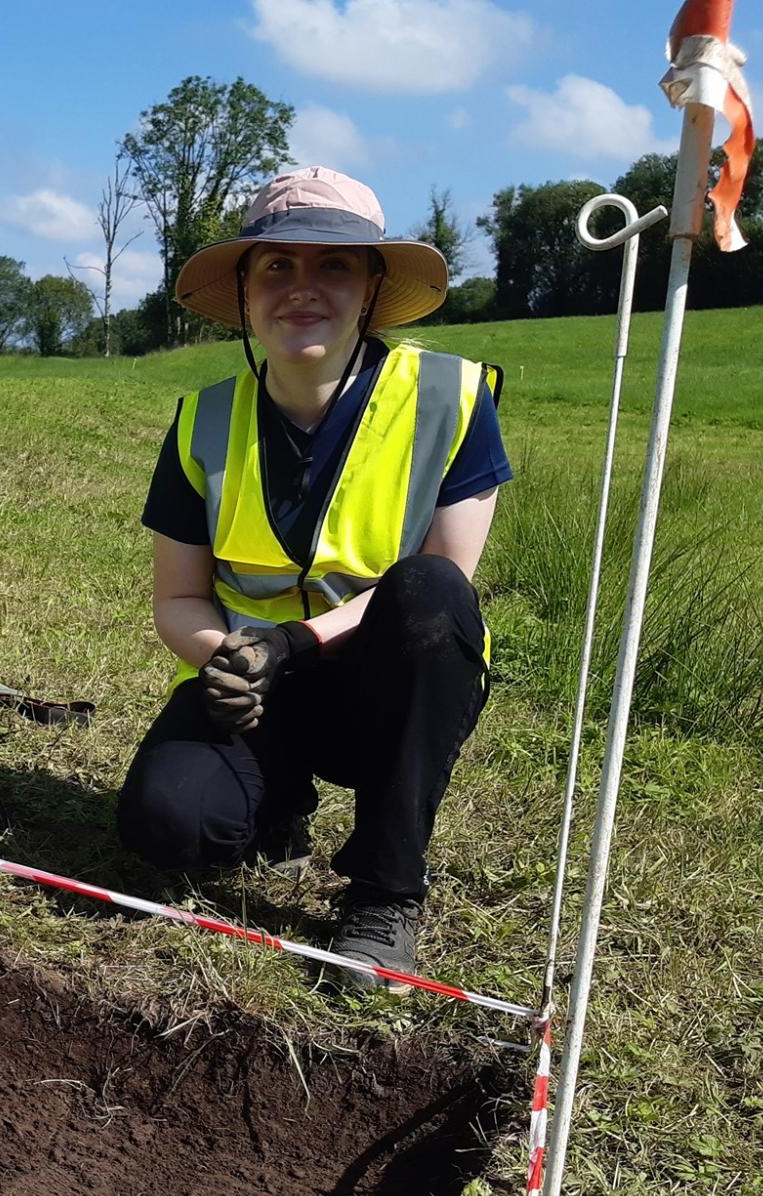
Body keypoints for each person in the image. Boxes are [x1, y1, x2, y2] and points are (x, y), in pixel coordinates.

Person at [117, 167, 511, 989]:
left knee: (432, 598)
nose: (303, 288)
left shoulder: (450, 397)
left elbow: (443, 581)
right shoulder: (203, 419)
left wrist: (293, 643)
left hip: (389, 687)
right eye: (277, 266)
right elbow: (178, 598)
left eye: (333, 265)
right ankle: (279, 803)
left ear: (371, 287)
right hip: (262, 689)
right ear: (246, 289)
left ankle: (385, 894)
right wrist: (228, 657)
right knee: (166, 825)